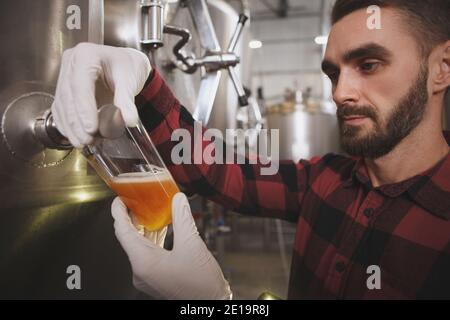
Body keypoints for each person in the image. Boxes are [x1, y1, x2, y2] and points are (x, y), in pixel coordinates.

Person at [51, 0, 450, 299]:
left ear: (441, 68)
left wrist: (214, 305)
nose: (340, 93)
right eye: (333, 73)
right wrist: (144, 80)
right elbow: (219, 171)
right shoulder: (328, 179)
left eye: (369, 64)